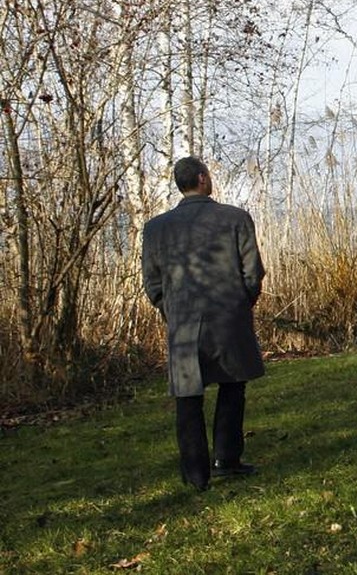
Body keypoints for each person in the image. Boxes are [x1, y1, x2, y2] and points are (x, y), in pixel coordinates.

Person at [141, 156, 266, 491]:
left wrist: (172, 311)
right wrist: (242, 303)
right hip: (229, 317)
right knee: (233, 386)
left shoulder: (155, 228)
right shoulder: (235, 219)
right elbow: (253, 272)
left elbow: (152, 283)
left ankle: (196, 475)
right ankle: (227, 458)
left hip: (183, 325)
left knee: (188, 398)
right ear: (202, 178)